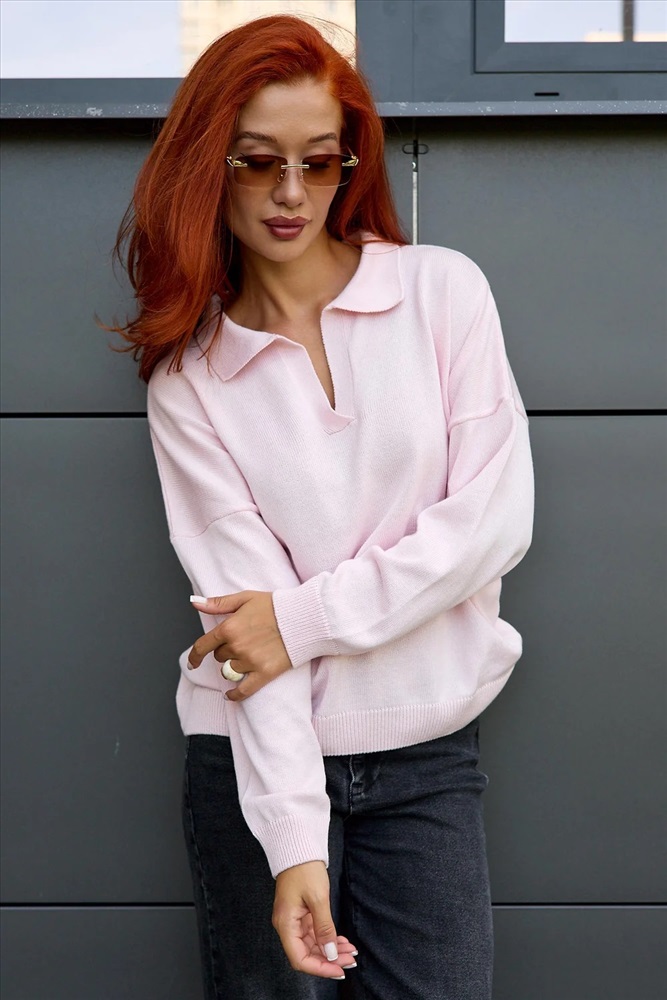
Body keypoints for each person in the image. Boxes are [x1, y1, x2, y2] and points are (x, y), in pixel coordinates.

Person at [110, 14, 534, 1000]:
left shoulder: (442, 293)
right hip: (252, 764)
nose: (292, 194)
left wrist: (298, 621)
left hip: (426, 757)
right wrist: (294, 840)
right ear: (208, 166)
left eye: (319, 161)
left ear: (351, 162)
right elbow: (240, 634)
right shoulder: (189, 377)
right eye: (258, 162)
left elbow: (490, 523)